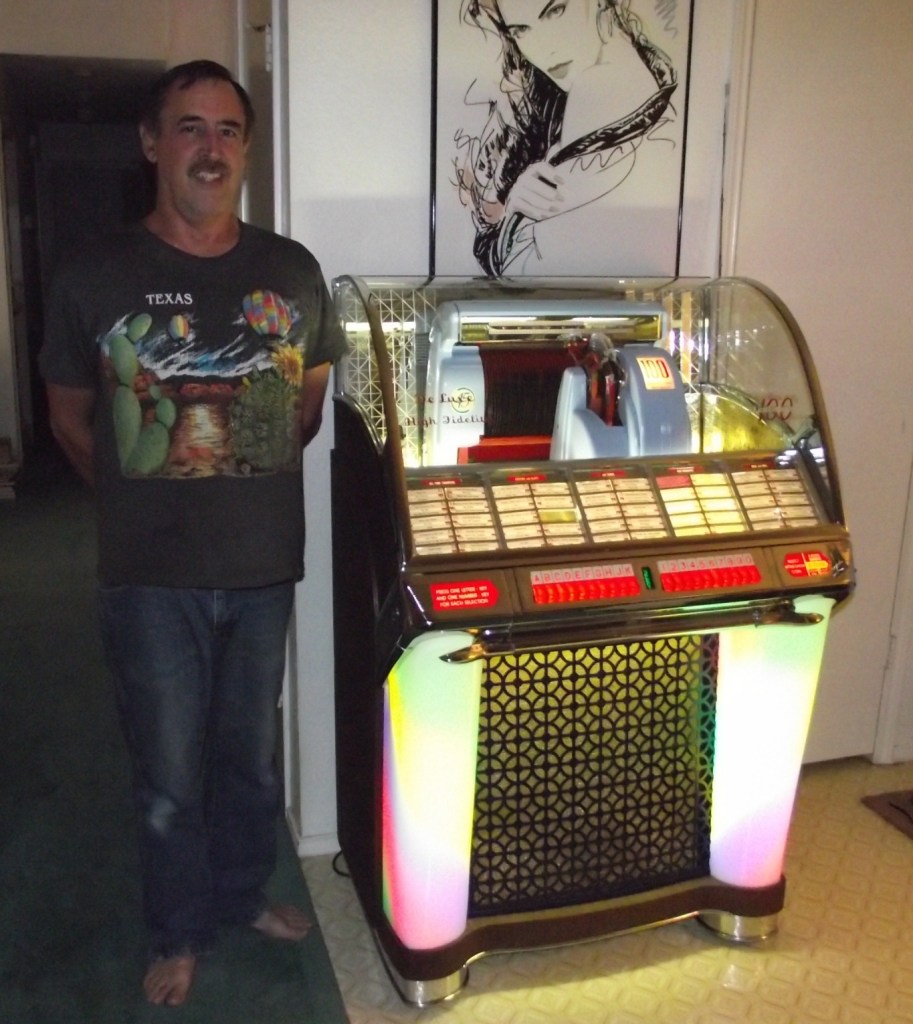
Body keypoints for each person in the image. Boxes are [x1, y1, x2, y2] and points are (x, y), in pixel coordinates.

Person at [38, 60, 348, 1007]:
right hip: (148, 575)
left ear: (244, 149)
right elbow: (69, 419)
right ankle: (177, 930)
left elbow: (304, 407)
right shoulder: (95, 275)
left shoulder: (291, 271)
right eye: (189, 128)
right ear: (151, 143)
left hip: (262, 567)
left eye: (226, 130)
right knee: (169, 772)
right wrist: (144, 492)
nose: (209, 149)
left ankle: (242, 894)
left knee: (249, 756)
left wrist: (235, 467)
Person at [455, 0, 678, 275]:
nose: (545, 47)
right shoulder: (557, 96)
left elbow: (520, 270)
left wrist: (514, 214)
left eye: (556, 11)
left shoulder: (596, 84)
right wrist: (514, 203)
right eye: (520, 30)